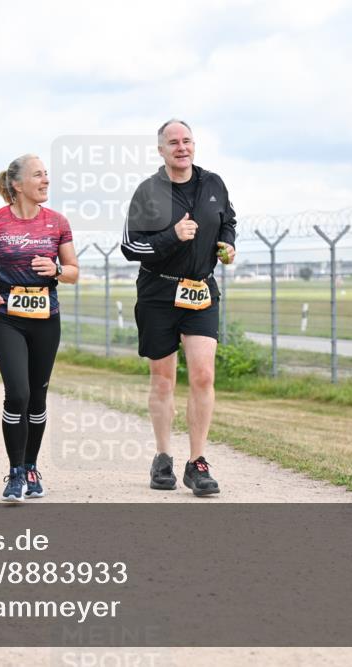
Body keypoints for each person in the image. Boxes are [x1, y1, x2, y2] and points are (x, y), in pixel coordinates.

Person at [121, 119, 237, 496]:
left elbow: (228, 221)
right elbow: (129, 247)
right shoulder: (148, 192)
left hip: (201, 291)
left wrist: (227, 244)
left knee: (203, 375)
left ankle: (197, 462)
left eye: (187, 140)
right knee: (164, 379)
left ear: (194, 145)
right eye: (173, 142)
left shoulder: (214, 184)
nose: (181, 147)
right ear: (161, 150)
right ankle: (163, 457)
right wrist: (172, 236)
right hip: (159, 292)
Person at [0, 156, 79, 501]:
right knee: (18, 393)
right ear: (17, 185)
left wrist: (56, 270)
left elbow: (74, 271)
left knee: (38, 397)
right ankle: (15, 472)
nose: (46, 180)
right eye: (38, 175)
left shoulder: (57, 222)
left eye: (46, 174)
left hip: (47, 317)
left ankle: (31, 466)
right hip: (6, 316)